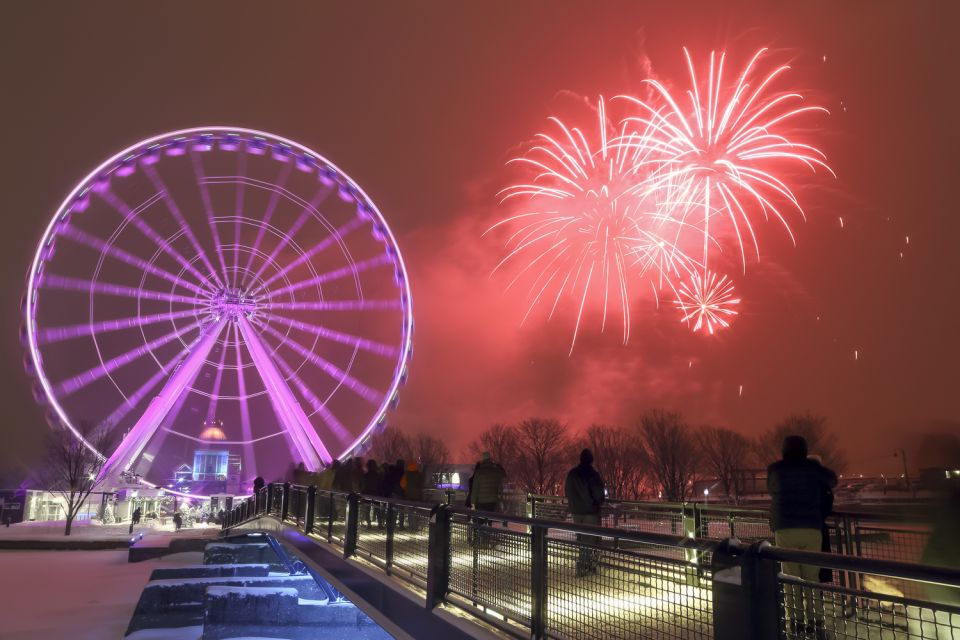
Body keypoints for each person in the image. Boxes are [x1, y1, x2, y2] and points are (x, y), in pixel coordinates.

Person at [767, 435, 837, 638]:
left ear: (784, 450)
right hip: (811, 528)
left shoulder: (776, 469)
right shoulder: (812, 468)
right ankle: (816, 621)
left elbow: (771, 489)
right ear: (805, 450)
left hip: (785, 528)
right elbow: (832, 480)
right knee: (811, 578)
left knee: (790, 577)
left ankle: (794, 623)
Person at [565, 448, 606, 577]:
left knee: (582, 538)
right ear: (591, 460)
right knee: (589, 540)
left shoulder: (572, 474)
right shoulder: (592, 474)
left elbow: (567, 491)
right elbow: (599, 493)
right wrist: (597, 502)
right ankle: (585, 567)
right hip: (590, 512)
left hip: (576, 512)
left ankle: (586, 565)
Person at [467, 453, 506, 548]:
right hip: (492, 501)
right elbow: (504, 475)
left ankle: (480, 543)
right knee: (488, 521)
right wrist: (499, 466)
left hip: (480, 502)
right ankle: (486, 542)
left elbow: (475, 489)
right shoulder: (495, 471)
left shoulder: (479, 472)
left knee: (479, 522)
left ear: (482, 460)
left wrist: (472, 503)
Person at [361, 459, 385, 528]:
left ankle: (369, 524)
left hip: (367, 494)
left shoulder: (366, 475)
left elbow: (363, 485)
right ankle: (380, 524)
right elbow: (380, 485)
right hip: (376, 494)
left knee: (367, 510)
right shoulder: (378, 475)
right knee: (377, 510)